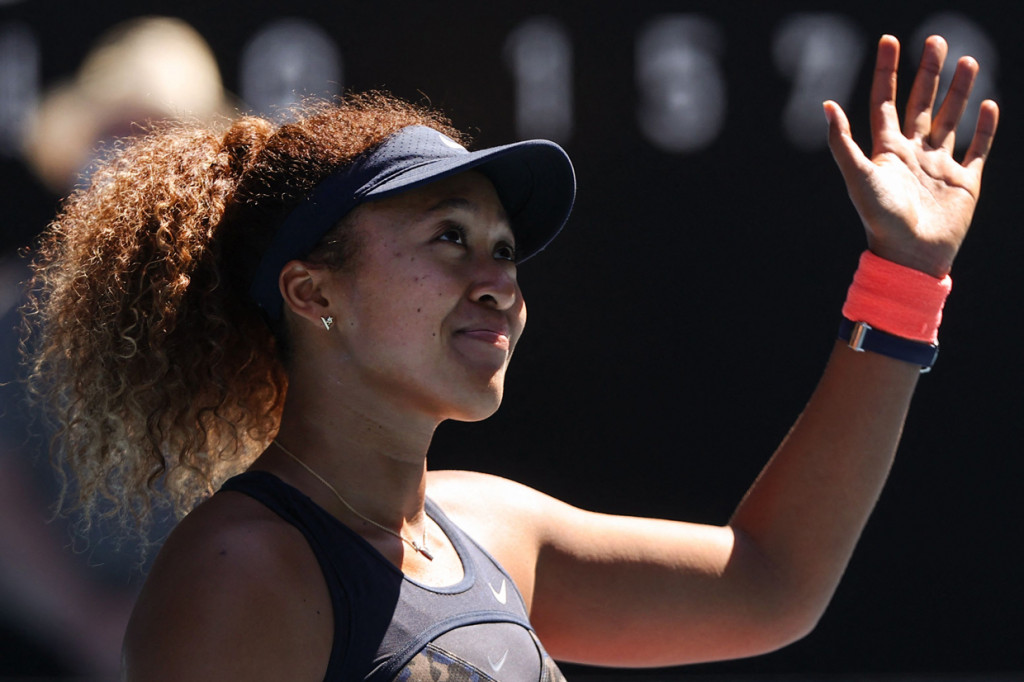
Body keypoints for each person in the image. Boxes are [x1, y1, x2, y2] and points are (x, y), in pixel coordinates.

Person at [21, 33, 997, 681]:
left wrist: (903, 276)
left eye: (502, 250)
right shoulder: (244, 572)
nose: (497, 280)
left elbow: (771, 580)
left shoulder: (490, 525)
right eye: (449, 237)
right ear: (314, 293)